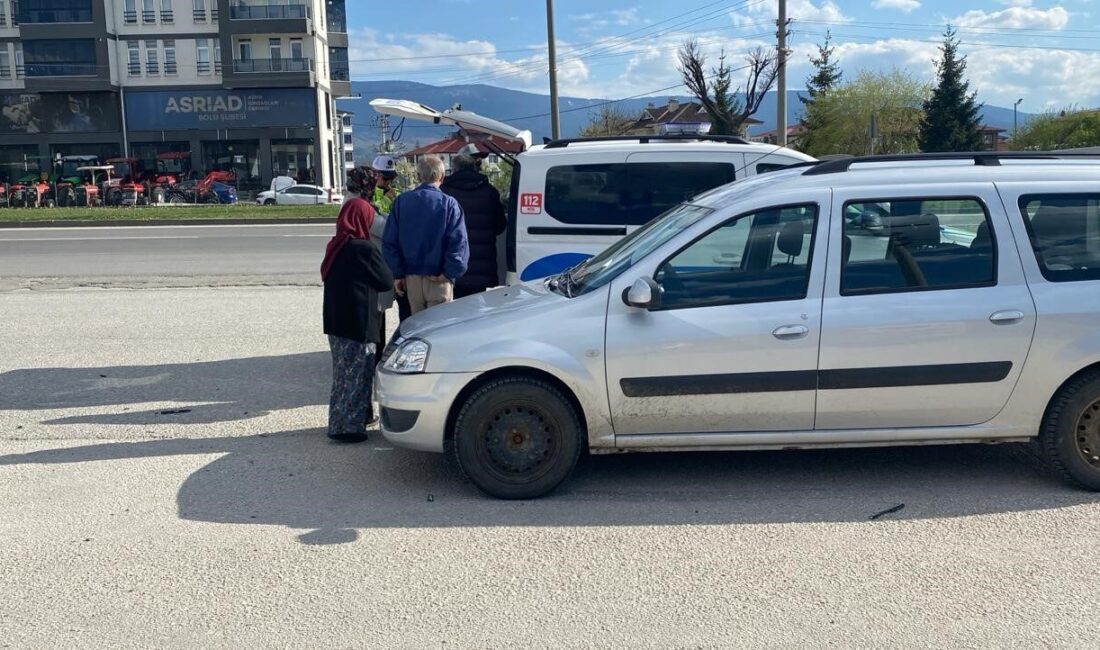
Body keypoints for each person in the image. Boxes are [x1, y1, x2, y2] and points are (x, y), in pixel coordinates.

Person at [321, 189, 394, 443]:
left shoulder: (336, 245)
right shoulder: (363, 248)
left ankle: (340, 420)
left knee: (342, 375)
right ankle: (348, 428)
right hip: (359, 319)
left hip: (335, 320)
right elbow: (385, 281)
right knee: (358, 374)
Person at [382, 155, 469, 315]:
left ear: (417, 176)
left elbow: (389, 243)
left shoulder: (401, 202)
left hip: (410, 278)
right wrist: (449, 272)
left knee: (414, 330)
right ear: (442, 176)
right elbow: (459, 244)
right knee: (438, 331)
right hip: (439, 278)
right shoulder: (449, 204)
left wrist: (398, 273)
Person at [441, 144, 508, 298]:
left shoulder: (444, 192)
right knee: (475, 312)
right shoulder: (489, 192)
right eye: (478, 161)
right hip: (482, 268)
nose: (481, 165)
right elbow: (500, 226)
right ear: (474, 166)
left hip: (452, 264)